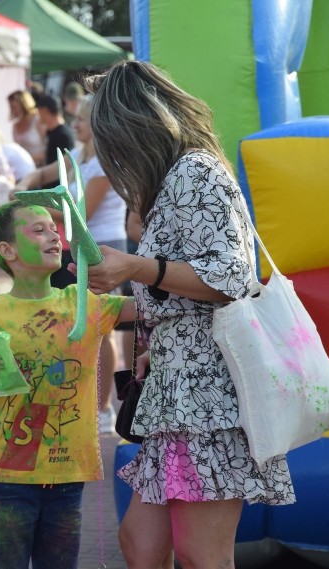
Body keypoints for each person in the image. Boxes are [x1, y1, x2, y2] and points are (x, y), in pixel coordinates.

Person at [79, 60, 296, 568]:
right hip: (179, 394)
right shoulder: (178, 177)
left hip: (207, 398)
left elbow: (232, 278)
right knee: (141, 541)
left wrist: (134, 263)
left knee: (202, 554)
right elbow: (179, 297)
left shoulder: (194, 171)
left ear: (130, 128)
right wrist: (120, 303)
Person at [0, 200, 132, 569]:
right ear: (7, 251)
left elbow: (147, 308)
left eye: (54, 228)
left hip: (68, 473)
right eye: (38, 229)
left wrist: (130, 267)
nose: (53, 234)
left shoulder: (82, 302)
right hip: (10, 475)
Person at [15, 94, 128, 434]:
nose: (73, 124)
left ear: (96, 124)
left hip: (103, 248)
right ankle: (82, 400)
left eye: (79, 119)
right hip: (77, 248)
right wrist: (23, 184)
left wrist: (27, 205)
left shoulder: (106, 161)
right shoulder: (78, 155)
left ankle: (104, 407)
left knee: (100, 325)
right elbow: (40, 174)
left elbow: (79, 214)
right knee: (75, 325)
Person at [35, 94, 76, 170]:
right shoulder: (50, 131)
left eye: (39, 112)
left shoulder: (63, 135)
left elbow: (64, 166)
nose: (38, 116)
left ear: (45, 111)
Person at [7, 90, 45, 167]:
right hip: (25, 167)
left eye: (14, 107)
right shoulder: (15, 126)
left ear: (23, 104)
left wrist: (26, 158)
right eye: (11, 107)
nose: (13, 111)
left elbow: (47, 150)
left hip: (41, 167)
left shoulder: (38, 120)